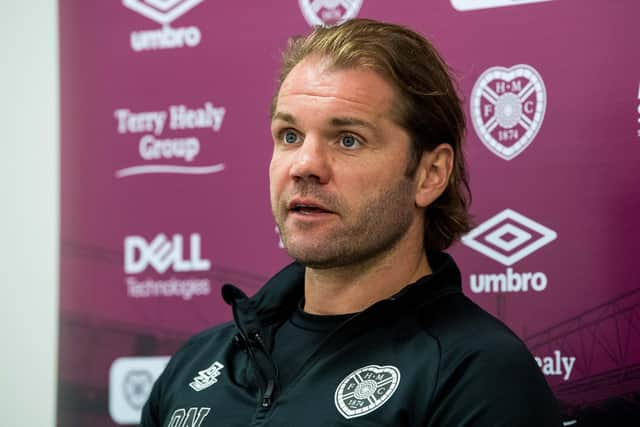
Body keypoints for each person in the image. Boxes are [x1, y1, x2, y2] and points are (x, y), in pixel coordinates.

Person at [141, 19, 560, 426]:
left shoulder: (474, 373)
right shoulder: (198, 362)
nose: (305, 165)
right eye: (290, 136)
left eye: (348, 140)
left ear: (430, 174)